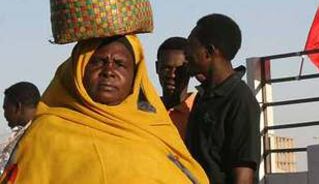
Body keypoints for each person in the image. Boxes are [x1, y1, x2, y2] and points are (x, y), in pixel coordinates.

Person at [1, 35, 208, 183]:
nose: (109, 71)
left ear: (136, 76)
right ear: (79, 70)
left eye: (119, 64)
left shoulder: (154, 128)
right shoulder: (45, 135)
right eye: (98, 62)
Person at [185, 14, 260, 184]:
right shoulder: (203, 97)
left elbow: (243, 172)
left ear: (209, 51)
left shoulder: (239, 100)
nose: (186, 53)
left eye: (190, 45)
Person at [156, 37, 197, 139]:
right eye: (166, 68)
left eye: (179, 70)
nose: (172, 75)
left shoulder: (199, 112)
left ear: (191, 69)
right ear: (157, 67)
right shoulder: (147, 112)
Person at [0, 82, 40, 174]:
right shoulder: (48, 129)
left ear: (18, 107)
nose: (4, 114)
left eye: (5, 108)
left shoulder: (26, 138)